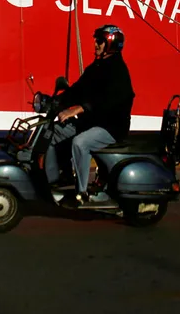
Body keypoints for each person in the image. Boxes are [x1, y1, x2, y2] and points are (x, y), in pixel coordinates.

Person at [44, 24, 135, 204]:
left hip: (111, 127)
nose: (95, 44)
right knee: (52, 133)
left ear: (111, 44)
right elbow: (77, 90)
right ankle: (59, 178)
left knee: (80, 143)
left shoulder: (118, 71)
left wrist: (80, 108)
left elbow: (109, 100)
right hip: (91, 122)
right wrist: (55, 102)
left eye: (100, 41)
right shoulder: (96, 67)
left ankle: (82, 193)